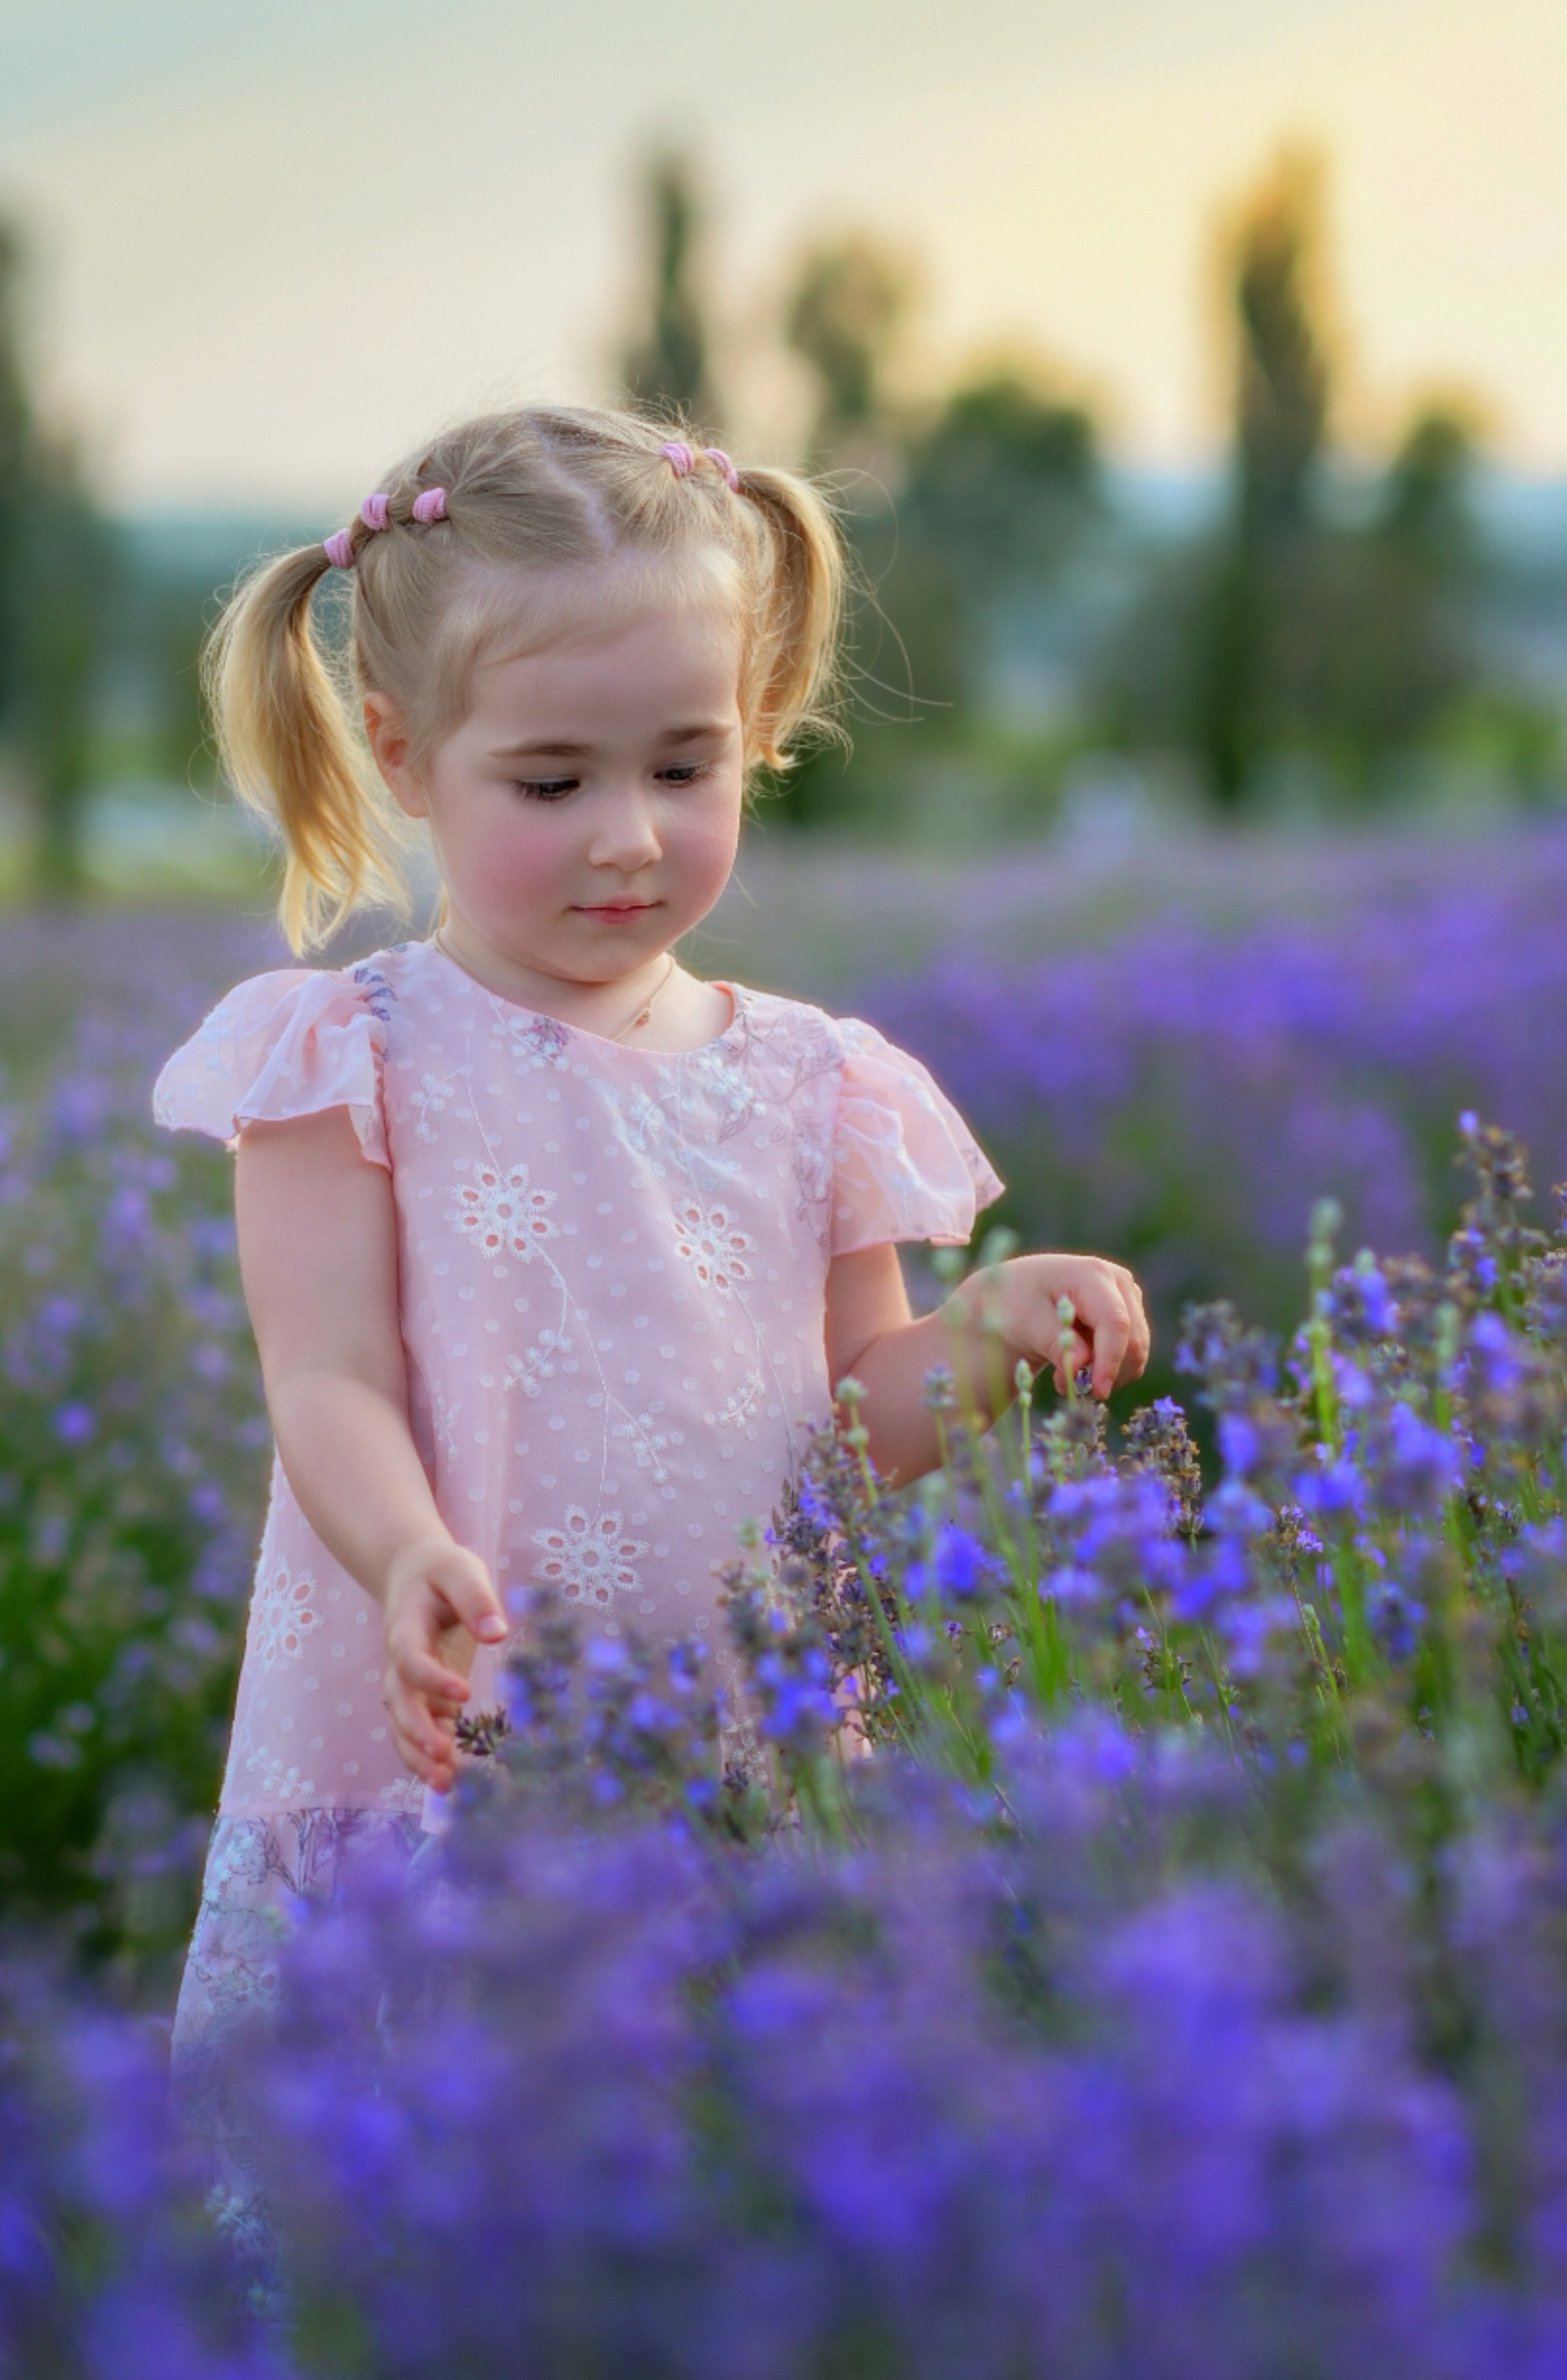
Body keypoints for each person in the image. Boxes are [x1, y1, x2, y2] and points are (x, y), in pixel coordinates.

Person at [154, 403, 1148, 2079]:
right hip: (459, 1725)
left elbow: (849, 1419)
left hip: (733, 1730)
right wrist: (404, 1551)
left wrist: (980, 1335)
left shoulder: (813, 1079)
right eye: (552, 779)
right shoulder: (350, 1056)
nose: (628, 830)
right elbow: (321, 1375)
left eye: (681, 766)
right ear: (400, 755)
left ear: (755, 732)